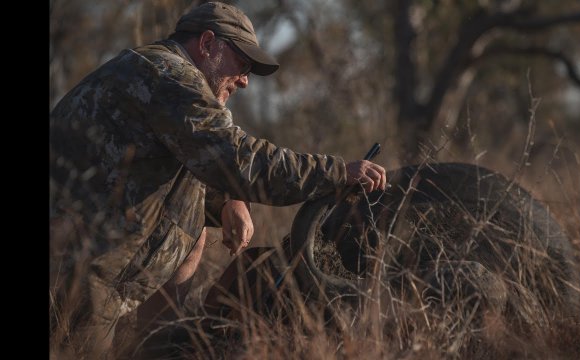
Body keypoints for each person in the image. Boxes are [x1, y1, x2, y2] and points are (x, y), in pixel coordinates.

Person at [49, 1, 386, 357]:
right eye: (242, 64)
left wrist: (226, 200)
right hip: (76, 277)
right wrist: (335, 173)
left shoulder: (153, 72)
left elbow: (179, 161)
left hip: (90, 273)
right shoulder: (170, 76)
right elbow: (238, 158)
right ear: (207, 43)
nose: (244, 80)